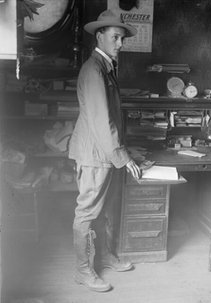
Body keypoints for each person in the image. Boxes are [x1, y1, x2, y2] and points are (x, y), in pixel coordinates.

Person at [68, 9, 141, 292]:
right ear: (100, 36)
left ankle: (105, 257)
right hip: (94, 155)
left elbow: (110, 119)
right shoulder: (94, 69)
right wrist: (122, 157)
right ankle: (83, 271)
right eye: (115, 37)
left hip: (103, 154)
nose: (120, 44)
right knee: (87, 213)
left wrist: (123, 151)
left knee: (103, 210)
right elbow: (100, 119)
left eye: (122, 38)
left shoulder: (105, 67)